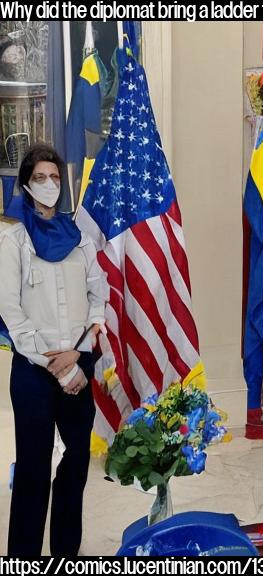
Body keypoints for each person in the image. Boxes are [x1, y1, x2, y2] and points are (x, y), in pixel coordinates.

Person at [0, 144, 107, 556]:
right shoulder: (14, 240)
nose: (49, 185)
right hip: (34, 372)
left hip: (79, 366)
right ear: (26, 184)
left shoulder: (79, 238)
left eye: (56, 177)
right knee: (33, 468)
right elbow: (10, 310)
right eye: (40, 177)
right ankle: (24, 558)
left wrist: (78, 355)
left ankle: (66, 554)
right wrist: (54, 363)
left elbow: (98, 297)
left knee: (76, 462)